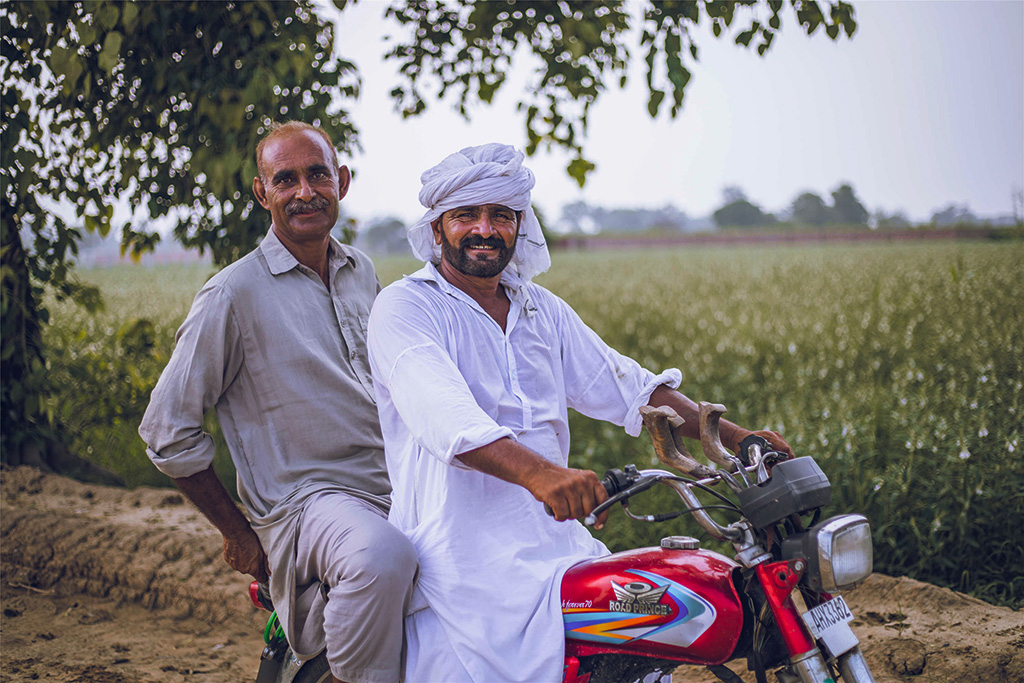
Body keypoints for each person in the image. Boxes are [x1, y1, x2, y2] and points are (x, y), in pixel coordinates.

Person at [366, 143, 793, 682]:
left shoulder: (540, 310)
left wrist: (738, 437)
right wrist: (542, 474)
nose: (485, 229)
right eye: (465, 215)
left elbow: (632, 388)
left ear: (520, 224)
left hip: (558, 547)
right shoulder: (407, 308)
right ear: (437, 229)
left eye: (501, 215)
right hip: (461, 560)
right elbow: (444, 417)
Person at [139, 121, 417, 683]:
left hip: (397, 485)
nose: (304, 191)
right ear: (263, 194)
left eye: (317, 174)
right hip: (309, 503)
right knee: (378, 559)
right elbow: (167, 429)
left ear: (340, 180)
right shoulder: (231, 295)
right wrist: (238, 533)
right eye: (284, 179)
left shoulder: (360, 271)